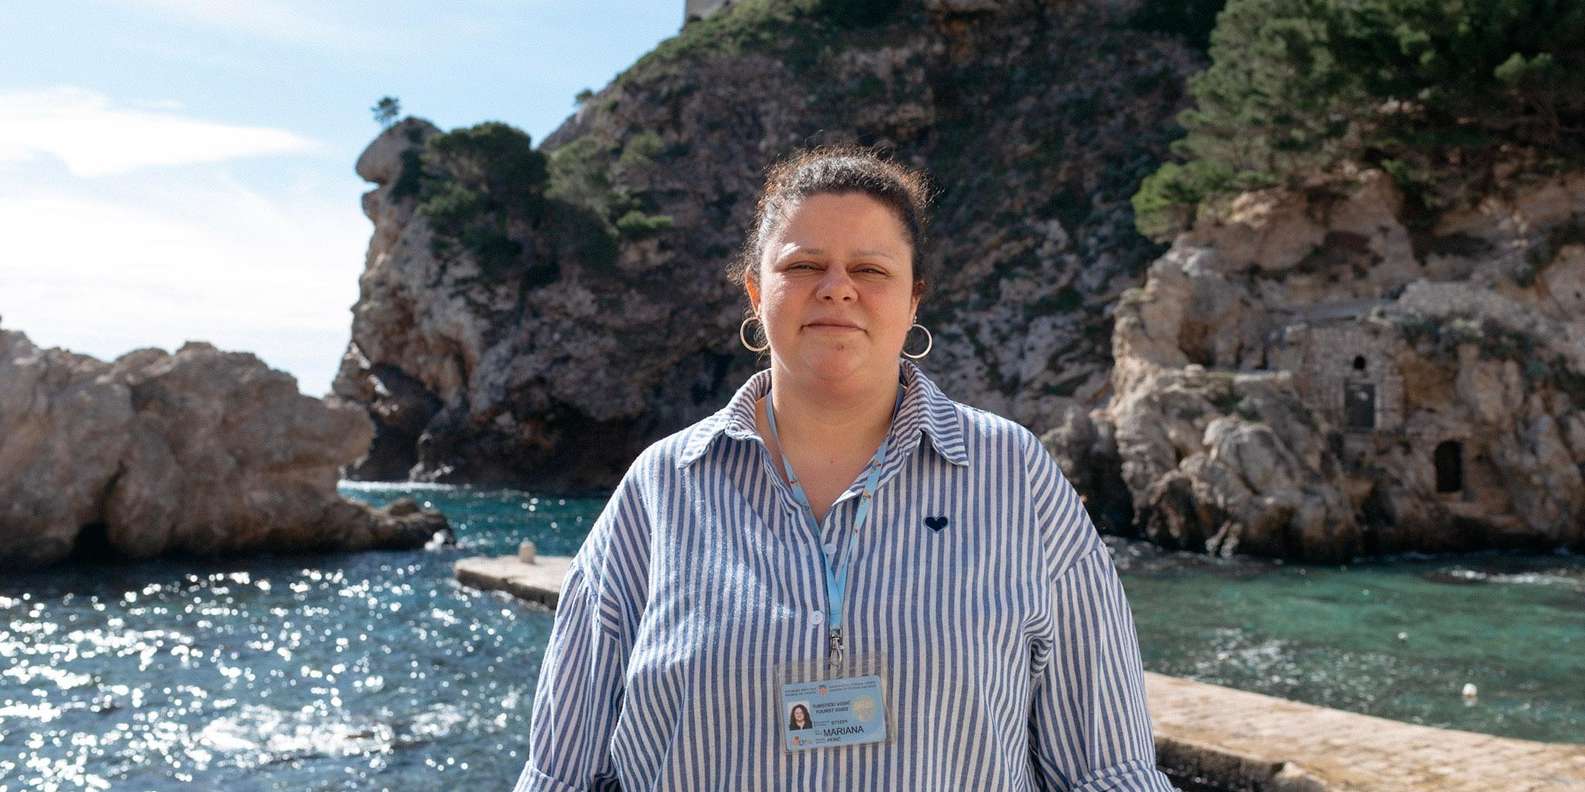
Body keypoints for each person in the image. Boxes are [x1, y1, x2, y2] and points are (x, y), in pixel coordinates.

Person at [514, 147, 1176, 791]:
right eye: (803, 265)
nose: (836, 288)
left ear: (913, 301)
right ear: (755, 293)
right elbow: (561, 773)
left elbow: (1105, 769)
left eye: (870, 269)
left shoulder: (1014, 475)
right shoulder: (662, 487)